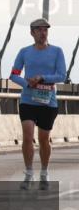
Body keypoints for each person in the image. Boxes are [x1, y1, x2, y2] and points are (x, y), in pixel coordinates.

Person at [10, 18, 67, 190]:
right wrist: (27, 83)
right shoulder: (24, 52)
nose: (43, 33)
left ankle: (44, 172)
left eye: (45, 30)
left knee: (43, 139)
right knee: (27, 136)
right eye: (39, 30)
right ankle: (28, 174)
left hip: (48, 102)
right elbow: (14, 74)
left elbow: (62, 75)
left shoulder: (57, 51)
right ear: (32, 32)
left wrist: (43, 78)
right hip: (28, 100)